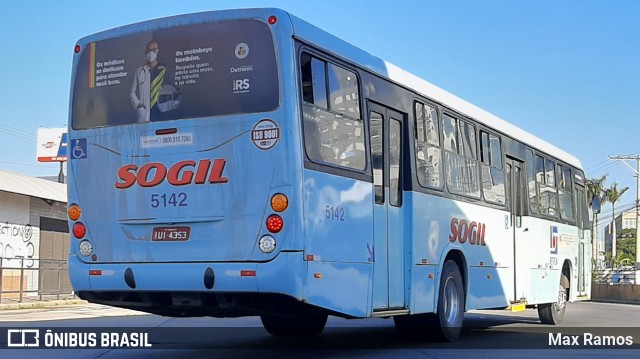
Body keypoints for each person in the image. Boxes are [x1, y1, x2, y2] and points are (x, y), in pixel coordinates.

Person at [130, 40, 166, 122]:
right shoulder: (139, 71)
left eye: (154, 50)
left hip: (160, 111)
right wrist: (139, 105)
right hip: (144, 113)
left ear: (158, 51)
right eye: (149, 50)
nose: (151, 53)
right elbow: (132, 93)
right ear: (145, 52)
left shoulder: (164, 69)